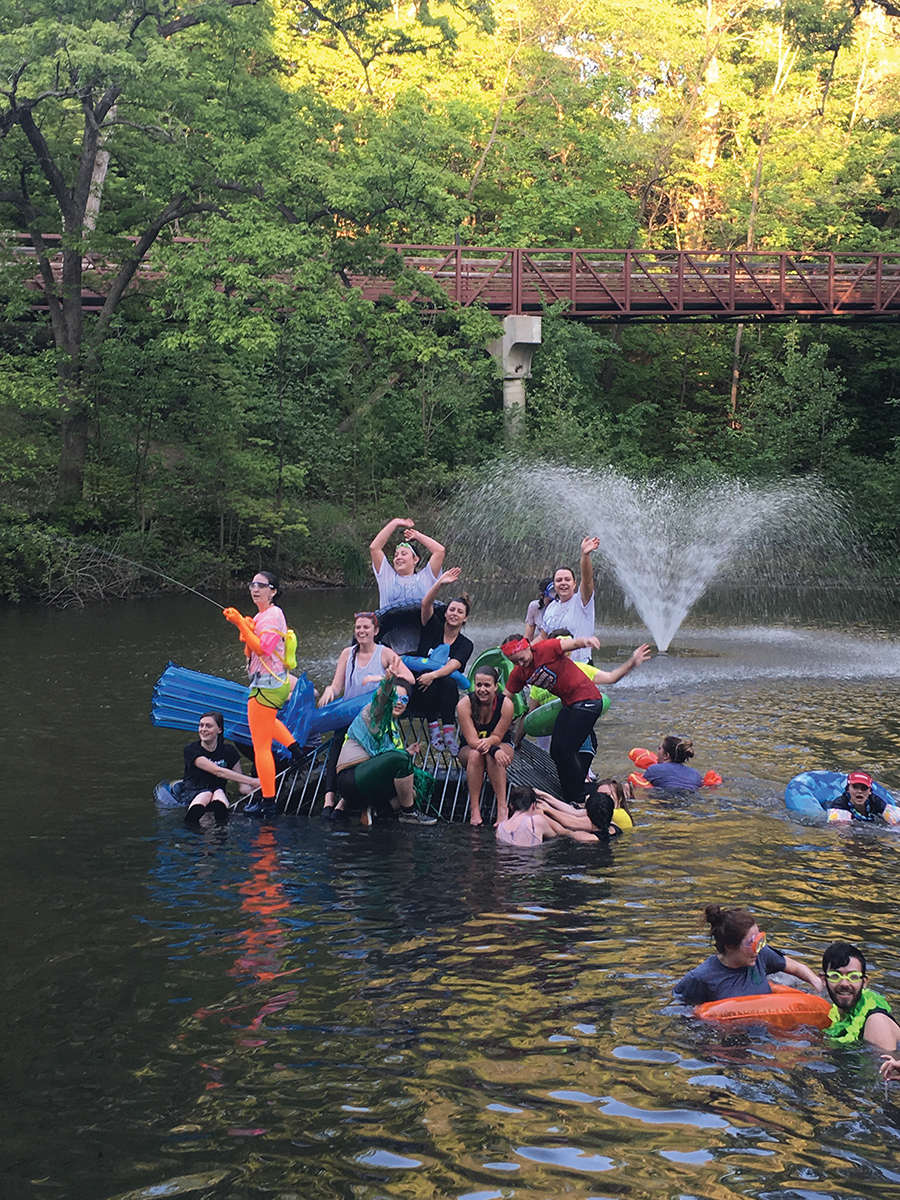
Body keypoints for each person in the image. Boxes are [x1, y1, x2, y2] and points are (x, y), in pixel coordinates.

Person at [502, 633, 652, 807]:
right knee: (556, 751)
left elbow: (575, 647)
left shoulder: (545, 648)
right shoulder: (519, 673)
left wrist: (588, 642)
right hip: (569, 705)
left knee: (567, 750)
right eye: (515, 661)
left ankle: (579, 796)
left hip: (589, 702)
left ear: (527, 646)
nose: (521, 664)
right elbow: (505, 698)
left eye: (521, 658)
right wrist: (513, 736)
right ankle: (573, 793)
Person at [223, 571, 305, 817]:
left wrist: (240, 624)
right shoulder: (262, 616)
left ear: (273, 591)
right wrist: (247, 628)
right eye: (252, 585)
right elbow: (250, 653)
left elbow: (264, 648)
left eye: (261, 585)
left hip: (268, 687)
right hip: (265, 685)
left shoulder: (273, 615)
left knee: (260, 746)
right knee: (269, 725)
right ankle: (298, 753)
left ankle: (268, 802)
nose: (255, 589)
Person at [317, 612, 414, 815]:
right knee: (337, 743)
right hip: (349, 713)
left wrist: (379, 677)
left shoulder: (385, 653)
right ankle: (329, 799)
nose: (361, 631)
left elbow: (409, 678)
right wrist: (330, 691)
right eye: (358, 627)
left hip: (373, 714)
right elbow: (337, 685)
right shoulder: (347, 653)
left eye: (366, 627)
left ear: (375, 631)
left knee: (370, 754)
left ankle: (346, 801)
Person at [330, 669, 437, 825]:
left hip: (373, 780)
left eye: (404, 699)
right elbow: (380, 700)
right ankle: (409, 813)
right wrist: (387, 683)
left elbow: (388, 760)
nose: (399, 702)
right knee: (402, 758)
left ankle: (377, 811)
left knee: (422, 782)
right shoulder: (373, 713)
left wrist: (407, 752)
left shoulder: (393, 729)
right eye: (395, 697)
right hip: (351, 777)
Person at [673, 904, 824, 1004]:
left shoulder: (761, 955)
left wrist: (817, 984)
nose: (758, 948)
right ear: (730, 947)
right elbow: (680, 1007)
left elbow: (796, 968)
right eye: (752, 943)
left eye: (760, 939)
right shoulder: (700, 978)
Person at [409, 566, 474, 755]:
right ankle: (433, 729)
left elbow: (453, 665)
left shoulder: (465, 644)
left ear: (465, 618)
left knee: (445, 679)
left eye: (459, 612)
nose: (454, 613)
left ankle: (448, 732)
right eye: (451, 609)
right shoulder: (432, 627)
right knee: (432, 680)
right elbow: (425, 604)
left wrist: (433, 675)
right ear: (445, 613)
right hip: (420, 690)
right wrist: (440, 583)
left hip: (445, 696)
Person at [456, 666, 515, 826]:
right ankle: (475, 810)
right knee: (476, 755)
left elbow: (497, 736)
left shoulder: (506, 704)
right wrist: (493, 750)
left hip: (501, 743)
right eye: (478, 685)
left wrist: (493, 749)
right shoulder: (464, 704)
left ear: (496, 686)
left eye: (487, 685)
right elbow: (473, 741)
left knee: (491, 757)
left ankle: (502, 807)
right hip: (470, 749)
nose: (482, 689)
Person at [820, 941, 900, 1052]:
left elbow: (889, 1068)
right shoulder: (835, 1013)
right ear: (824, 980)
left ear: (864, 982)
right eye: (835, 976)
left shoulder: (876, 1022)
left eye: (853, 977)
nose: (844, 983)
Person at [181, 711, 259, 825]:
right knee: (207, 793)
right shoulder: (191, 750)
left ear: (219, 729)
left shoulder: (229, 751)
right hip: (194, 791)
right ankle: (192, 817)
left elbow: (242, 785)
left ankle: (222, 815)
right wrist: (253, 780)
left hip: (217, 791)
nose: (203, 729)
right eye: (201, 725)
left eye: (208, 726)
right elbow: (217, 771)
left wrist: (257, 790)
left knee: (218, 792)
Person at [535, 537, 600, 663]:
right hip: (557, 667)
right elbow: (543, 637)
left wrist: (585, 556)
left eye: (567, 579)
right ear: (554, 585)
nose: (563, 583)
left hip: (581, 665)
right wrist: (524, 650)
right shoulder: (552, 607)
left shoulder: (581, 601)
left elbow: (587, 580)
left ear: (574, 584)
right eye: (559, 580)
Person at [369, 517, 446, 611]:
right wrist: (395, 523)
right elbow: (374, 548)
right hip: (391, 624)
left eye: (404, 554)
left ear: (415, 559)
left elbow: (439, 551)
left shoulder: (426, 577)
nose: (398, 557)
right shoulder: (387, 577)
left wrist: (418, 536)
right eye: (396, 555)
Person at [535, 786, 619, 841]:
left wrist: (541, 814)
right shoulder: (616, 828)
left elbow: (561, 831)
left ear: (587, 813)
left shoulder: (584, 837)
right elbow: (574, 819)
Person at [495, 785, 561, 846]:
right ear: (533, 806)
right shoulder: (536, 821)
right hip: (530, 857)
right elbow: (556, 836)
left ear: (511, 806)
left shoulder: (500, 828)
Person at [825, 771, 896, 823]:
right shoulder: (840, 804)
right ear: (847, 789)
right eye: (855, 787)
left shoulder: (875, 801)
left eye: (864, 788)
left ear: (870, 791)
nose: (859, 791)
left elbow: (897, 822)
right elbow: (841, 832)